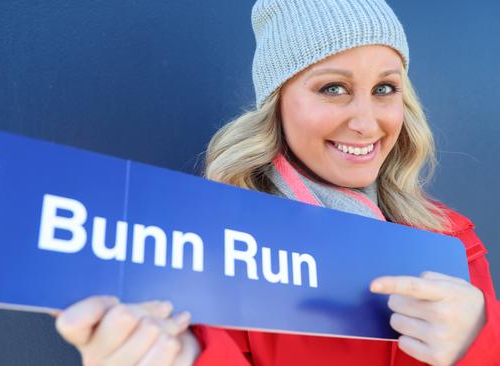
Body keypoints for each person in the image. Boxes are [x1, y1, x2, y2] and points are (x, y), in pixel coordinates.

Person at [53, 0, 500, 365]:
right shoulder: (215, 248)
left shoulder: (450, 241)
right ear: (278, 104)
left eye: (385, 88)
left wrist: (482, 343)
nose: (366, 122)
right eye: (332, 88)